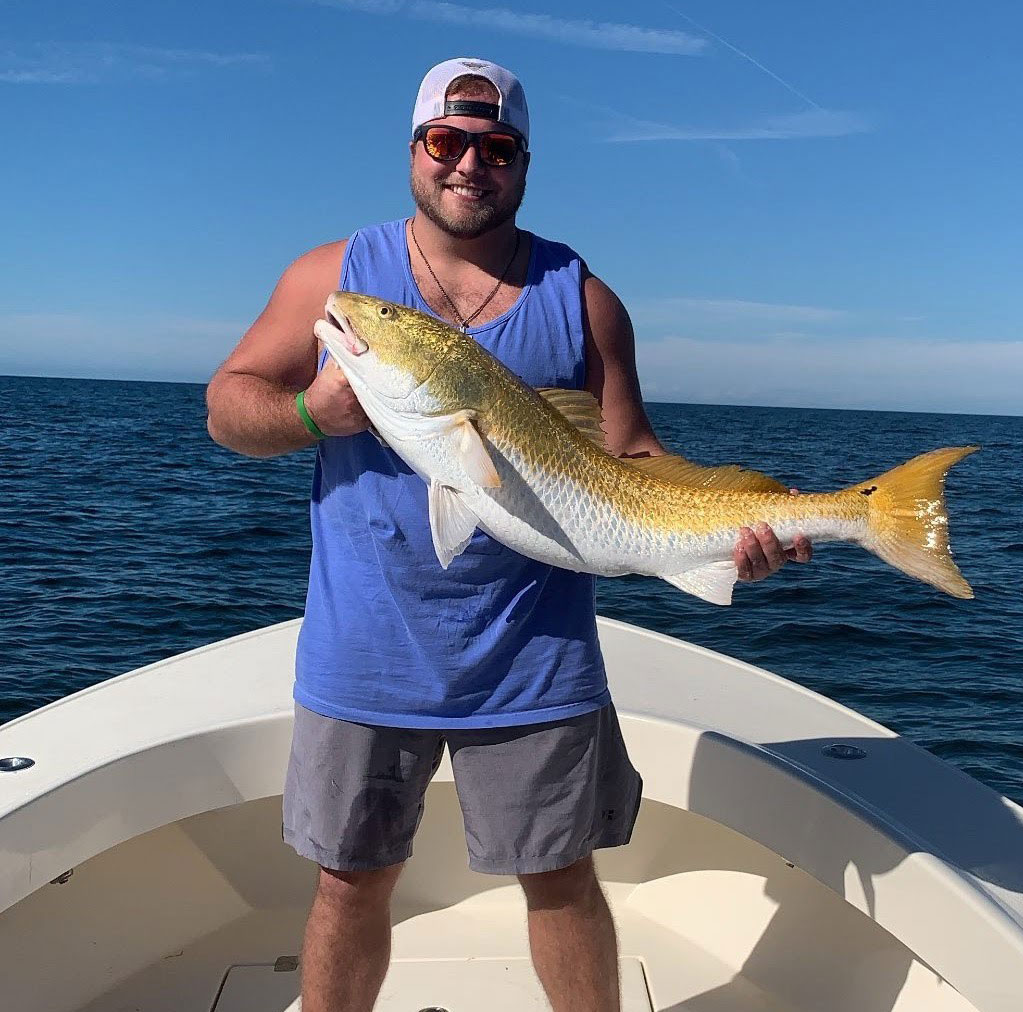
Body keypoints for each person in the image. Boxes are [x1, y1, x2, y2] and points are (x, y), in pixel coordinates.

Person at [206, 57, 812, 1012]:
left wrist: (742, 522)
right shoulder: (336, 281)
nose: (467, 165)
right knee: (347, 882)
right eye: (445, 143)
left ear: (522, 163)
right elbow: (229, 406)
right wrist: (319, 412)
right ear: (414, 150)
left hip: (538, 657)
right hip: (364, 650)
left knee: (561, 882)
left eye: (494, 148)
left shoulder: (583, 297)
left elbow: (636, 459)